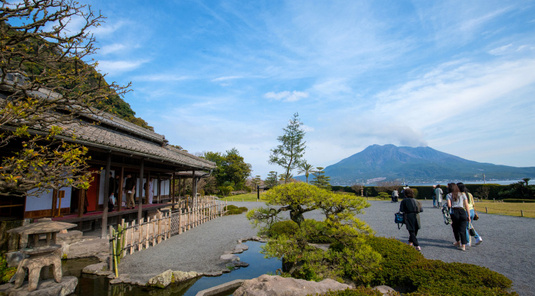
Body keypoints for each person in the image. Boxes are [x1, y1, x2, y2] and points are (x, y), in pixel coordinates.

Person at [446, 183, 470, 251]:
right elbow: (466, 205)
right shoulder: (463, 194)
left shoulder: (449, 195)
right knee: (462, 229)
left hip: (454, 212)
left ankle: (458, 241)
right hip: (462, 211)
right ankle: (463, 245)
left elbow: (449, 205)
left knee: (455, 228)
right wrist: (468, 215)